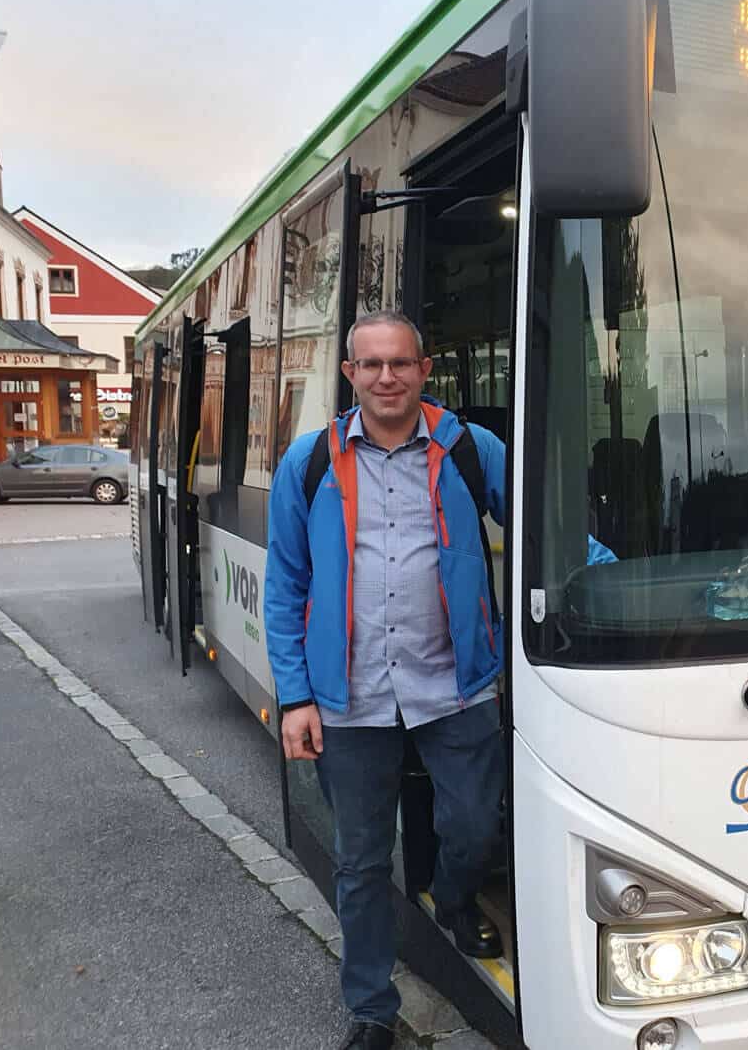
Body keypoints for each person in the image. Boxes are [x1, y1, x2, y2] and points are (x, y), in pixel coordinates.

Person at [264, 310, 590, 1050]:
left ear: (425, 368)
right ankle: (373, 1007)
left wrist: (614, 576)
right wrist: (295, 695)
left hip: (457, 685)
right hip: (348, 697)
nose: (387, 376)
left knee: (477, 825)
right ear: (350, 375)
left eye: (400, 363)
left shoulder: (471, 450)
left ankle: (450, 893)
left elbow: (551, 531)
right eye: (371, 364)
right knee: (361, 859)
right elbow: (285, 583)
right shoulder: (309, 462)